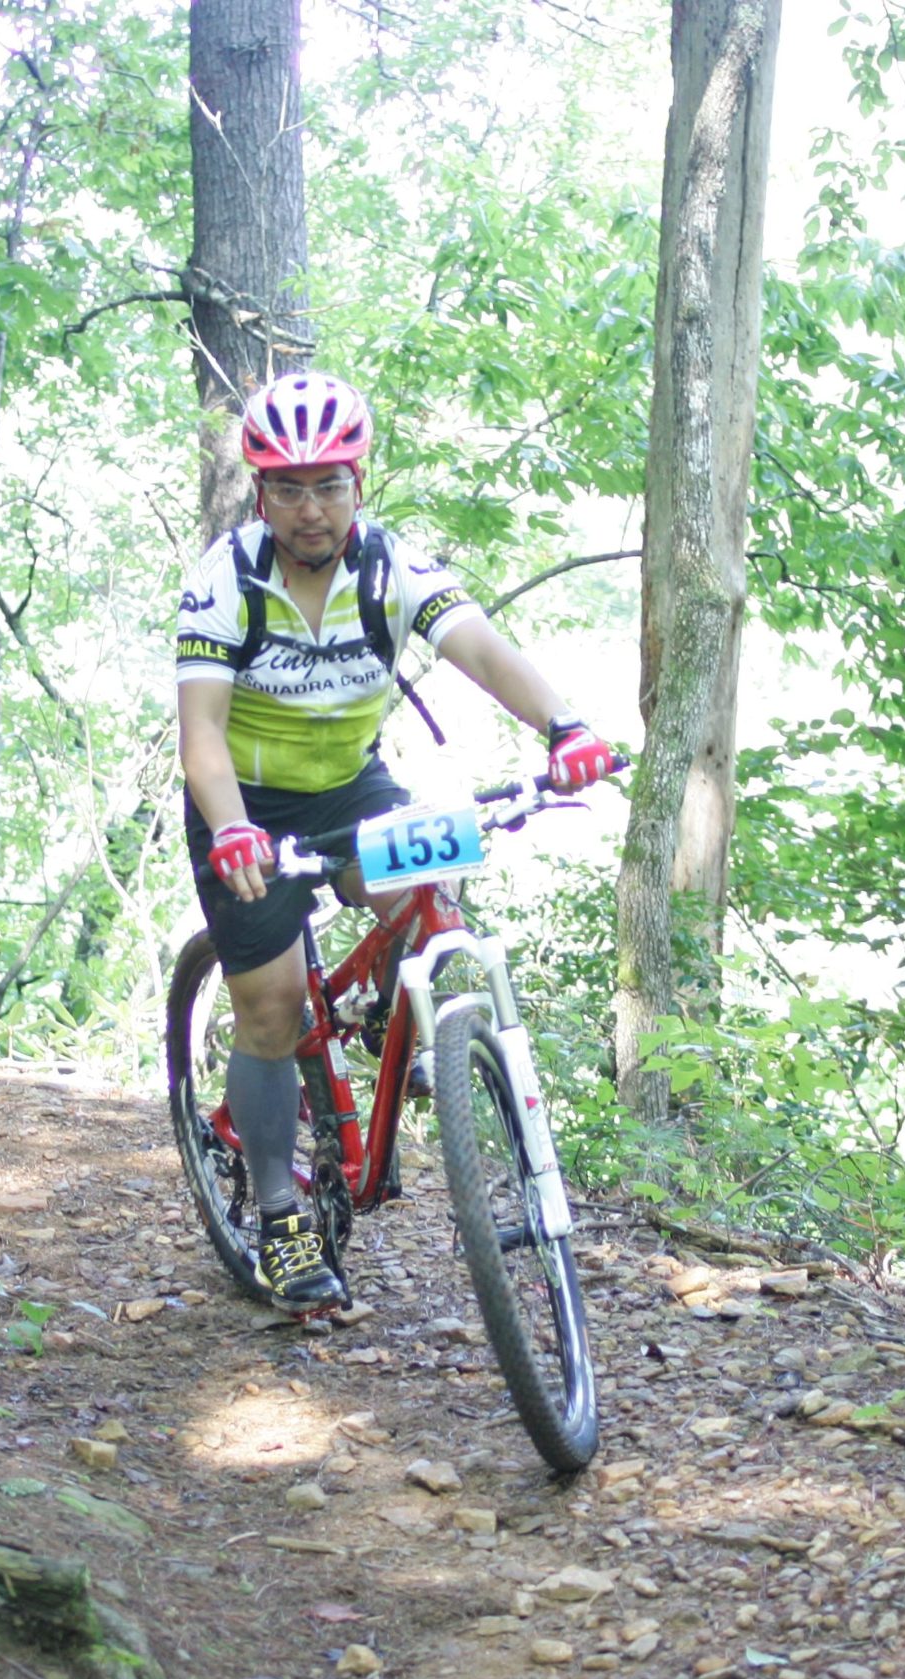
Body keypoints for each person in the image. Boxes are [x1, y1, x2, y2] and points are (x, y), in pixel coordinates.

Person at [176, 371, 617, 1313]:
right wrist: (233, 829)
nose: (310, 507)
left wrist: (564, 727)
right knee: (273, 1010)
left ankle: (397, 1025)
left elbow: (481, 647)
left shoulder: (390, 568)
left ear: (359, 485)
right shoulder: (226, 581)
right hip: (245, 808)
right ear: (261, 493)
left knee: (434, 902)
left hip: (352, 785)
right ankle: (281, 1212)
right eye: (288, 487)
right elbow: (202, 734)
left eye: (329, 484)